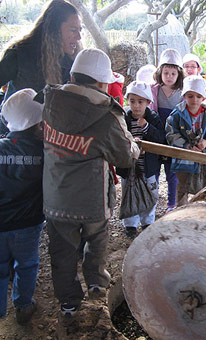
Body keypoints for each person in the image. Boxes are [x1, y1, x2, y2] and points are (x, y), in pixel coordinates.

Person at [42, 48, 140, 317]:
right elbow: (124, 157)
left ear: (73, 75)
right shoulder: (106, 116)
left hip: (56, 197)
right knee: (95, 241)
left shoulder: (50, 102)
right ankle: (96, 283)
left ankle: (69, 303)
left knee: (61, 251)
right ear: (102, 83)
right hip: (91, 200)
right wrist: (134, 146)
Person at [0, 0, 82, 134]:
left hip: (50, 140)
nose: (79, 37)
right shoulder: (21, 53)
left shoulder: (73, 60)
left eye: (80, 30)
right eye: (73, 30)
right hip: (14, 139)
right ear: (54, 29)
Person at [0, 89, 44, 324]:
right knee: (27, 264)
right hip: (28, 223)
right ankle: (24, 305)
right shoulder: (43, 150)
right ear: (36, 125)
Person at [116, 81, 165, 237]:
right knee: (129, 193)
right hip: (130, 167)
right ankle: (130, 223)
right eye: (132, 101)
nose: (136, 106)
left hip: (148, 167)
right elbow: (118, 139)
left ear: (148, 103)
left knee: (151, 194)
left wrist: (147, 128)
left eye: (140, 102)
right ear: (127, 101)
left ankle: (147, 221)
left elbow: (160, 139)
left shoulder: (153, 119)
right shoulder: (124, 119)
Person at [166, 75, 206, 206]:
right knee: (182, 186)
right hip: (184, 156)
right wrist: (186, 145)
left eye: (198, 96)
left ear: (203, 97)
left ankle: (204, 210)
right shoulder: (177, 114)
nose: (194, 100)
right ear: (184, 96)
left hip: (204, 155)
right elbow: (171, 133)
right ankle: (181, 211)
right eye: (190, 96)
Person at [150, 49, 184, 211]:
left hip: (174, 138)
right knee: (154, 171)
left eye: (173, 73)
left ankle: (172, 203)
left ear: (178, 75)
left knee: (172, 173)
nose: (169, 76)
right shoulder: (153, 90)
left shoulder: (182, 93)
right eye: (166, 73)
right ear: (160, 73)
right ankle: (152, 202)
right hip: (156, 134)